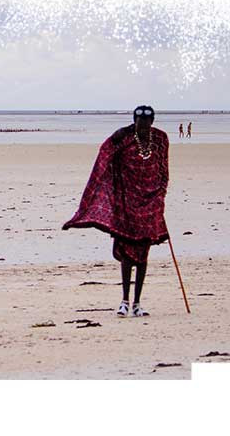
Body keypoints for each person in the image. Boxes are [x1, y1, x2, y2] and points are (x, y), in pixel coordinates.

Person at [63, 105, 170, 318]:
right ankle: (124, 300)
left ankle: (138, 302)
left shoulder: (160, 140)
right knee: (126, 255)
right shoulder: (124, 138)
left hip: (149, 204)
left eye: (147, 122)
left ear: (152, 122)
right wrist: (116, 135)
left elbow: (163, 171)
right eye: (139, 122)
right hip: (126, 203)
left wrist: (160, 196)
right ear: (134, 121)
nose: (142, 126)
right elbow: (105, 155)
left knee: (142, 254)